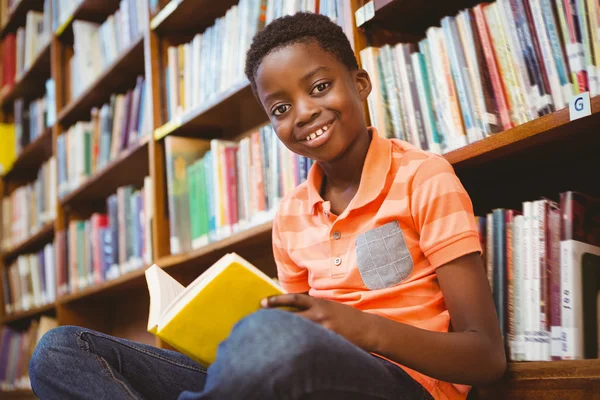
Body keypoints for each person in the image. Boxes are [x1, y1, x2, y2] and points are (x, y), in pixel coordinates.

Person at [29, 12, 506, 400]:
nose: (303, 113)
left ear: (360, 83)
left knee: (274, 338)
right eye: (280, 109)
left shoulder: (423, 177)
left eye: (319, 87)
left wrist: (355, 327)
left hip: (405, 386)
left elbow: (485, 358)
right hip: (298, 375)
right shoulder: (291, 215)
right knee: (62, 349)